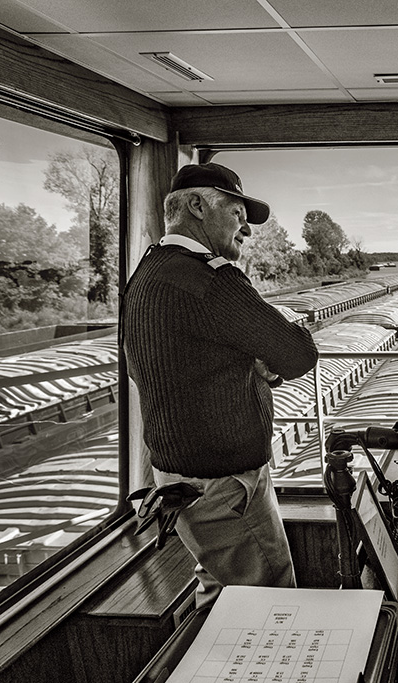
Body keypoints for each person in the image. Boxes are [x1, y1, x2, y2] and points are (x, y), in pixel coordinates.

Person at [122, 162, 318, 609]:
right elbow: (298, 354)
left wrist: (245, 362)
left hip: (178, 478)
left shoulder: (146, 274)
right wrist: (275, 343)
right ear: (196, 206)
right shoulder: (211, 280)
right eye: (237, 214)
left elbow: (170, 363)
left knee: (219, 593)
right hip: (225, 486)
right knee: (266, 604)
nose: (246, 230)